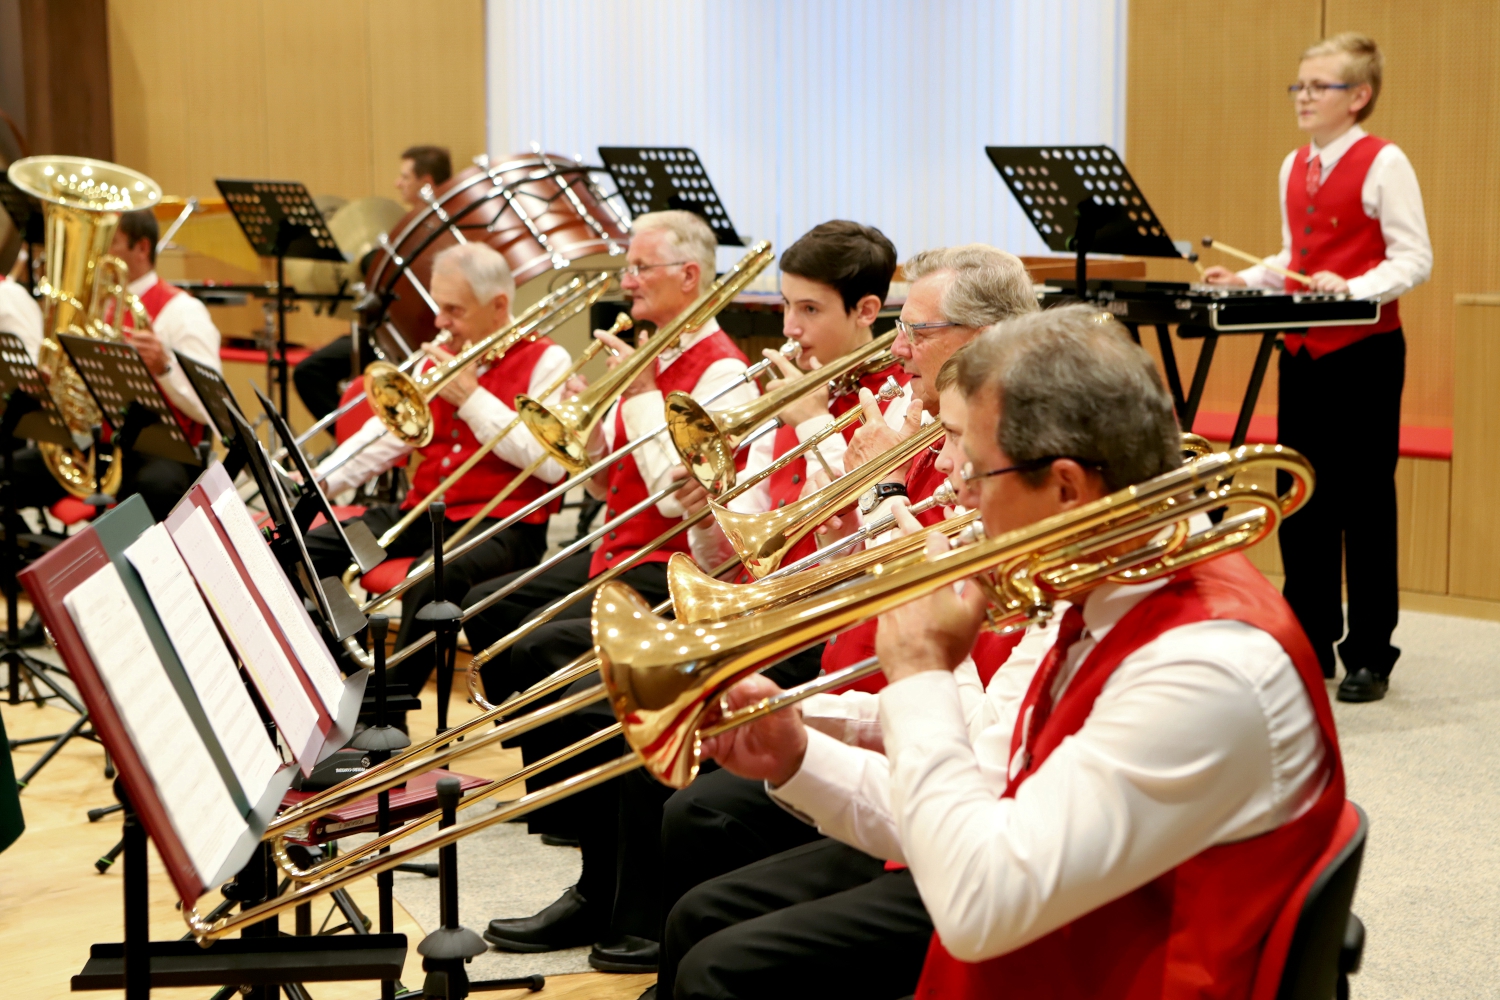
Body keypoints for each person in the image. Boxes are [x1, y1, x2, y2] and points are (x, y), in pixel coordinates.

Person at [673, 305, 1345, 1000]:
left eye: (978, 468)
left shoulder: (1204, 666)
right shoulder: (1097, 586)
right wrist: (798, 754)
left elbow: (975, 903)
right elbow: (969, 810)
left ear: (1065, 488)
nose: (956, 487)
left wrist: (922, 671)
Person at [492, 220, 912, 975]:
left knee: (656, 704)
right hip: (756, 606)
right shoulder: (781, 396)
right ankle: (604, 891)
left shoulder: (890, 411)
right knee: (607, 693)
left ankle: (648, 921)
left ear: (866, 312)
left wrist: (812, 424)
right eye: (786, 308)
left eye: (810, 311)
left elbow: (848, 553)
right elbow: (728, 550)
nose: (789, 330)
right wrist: (707, 504)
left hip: (823, 629)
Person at [639, 247, 1040, 996]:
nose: (898, 349)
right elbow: (827, 555)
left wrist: (842, 451)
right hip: (882, 703)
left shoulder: (990, 461)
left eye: (916, 332)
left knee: (706, 881)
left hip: (970, 842)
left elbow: (970, 766)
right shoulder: (932, 424)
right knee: (697, 902)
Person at [465, 209, 763, 955]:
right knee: (531, 652)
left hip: (676, 568)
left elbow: (674, 495)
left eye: (640, 269)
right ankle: (589, 860)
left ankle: (609, 890)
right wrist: (599, 400)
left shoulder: (721, 370)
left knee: (576, 685)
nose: (625, 281)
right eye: (627, 268)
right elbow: (597, 474)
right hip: (619, 552)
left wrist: (634, 390)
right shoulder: (654, 359)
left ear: (688, 277)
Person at [1203, 33, 1430, 703]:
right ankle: (1307, 636)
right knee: (1300, 496)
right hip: (1300, 351)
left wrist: (1352, 288)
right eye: (1297, 85)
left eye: (1317, 86)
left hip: (1363, 354)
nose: (1302, 96)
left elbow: (1414, 259)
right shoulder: (1293, 164)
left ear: (1357, 97)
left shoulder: (1385, 162)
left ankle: (1370, 651)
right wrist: (1245, 279)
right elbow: (1291, 250)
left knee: (1363, 500)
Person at [306, 241, 569, 671]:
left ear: (499, 305)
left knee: (431, 577)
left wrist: (472, 398)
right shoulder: (443, 357)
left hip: (505, 524)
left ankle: (391, 712)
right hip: (425, 512)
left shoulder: (549, 359)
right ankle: (336, 675)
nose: (440, 322)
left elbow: (549, 462)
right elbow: (386, 438)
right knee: (311, 550)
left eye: (455, 310)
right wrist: (319, 480)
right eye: (439, 307)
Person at [11, 208, 221, 521]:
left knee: (151, 489)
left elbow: (212, 410)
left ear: (142, 248)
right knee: (11, 471)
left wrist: (164, 368)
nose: (100, 252)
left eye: (112, 242)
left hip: (163, 450)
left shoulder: (183, 312)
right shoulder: (100, 308)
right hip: (100, 444)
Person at [293, 145, 455, 420]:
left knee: (313, 372)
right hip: (385, 331)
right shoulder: (406, 226)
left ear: (426, 182)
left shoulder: (441, 232)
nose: (397, 184)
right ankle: (349, 441)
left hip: (414, 338)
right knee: (309, 371)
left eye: (405, 177)